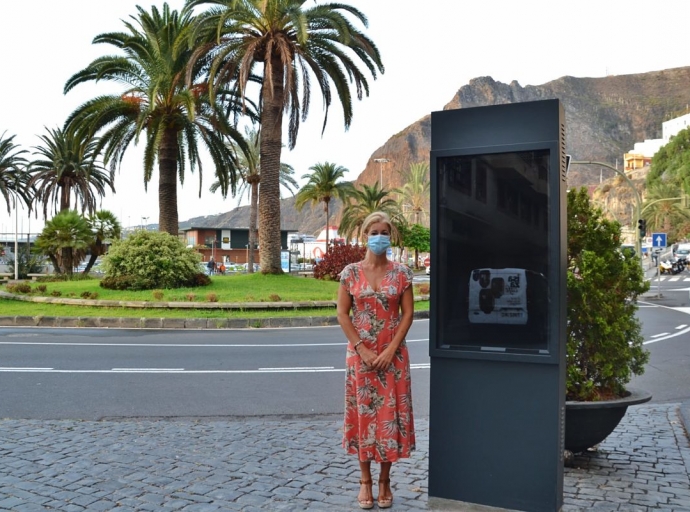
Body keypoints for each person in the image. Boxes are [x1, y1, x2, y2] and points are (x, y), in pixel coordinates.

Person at [336, 211, 415, 510]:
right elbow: (343, 313)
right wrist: (362, 349)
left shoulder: (402, 273)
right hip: (361, 357)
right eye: (374, 232)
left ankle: (385, 481)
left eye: (384, 231)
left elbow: (407, 313)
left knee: (388, 419)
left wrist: (391, 349)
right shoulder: (350, 273)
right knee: (364, 418)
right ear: (364, 235)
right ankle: (365, 481)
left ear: (389, 236)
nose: (379, 236)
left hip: (393, 358)